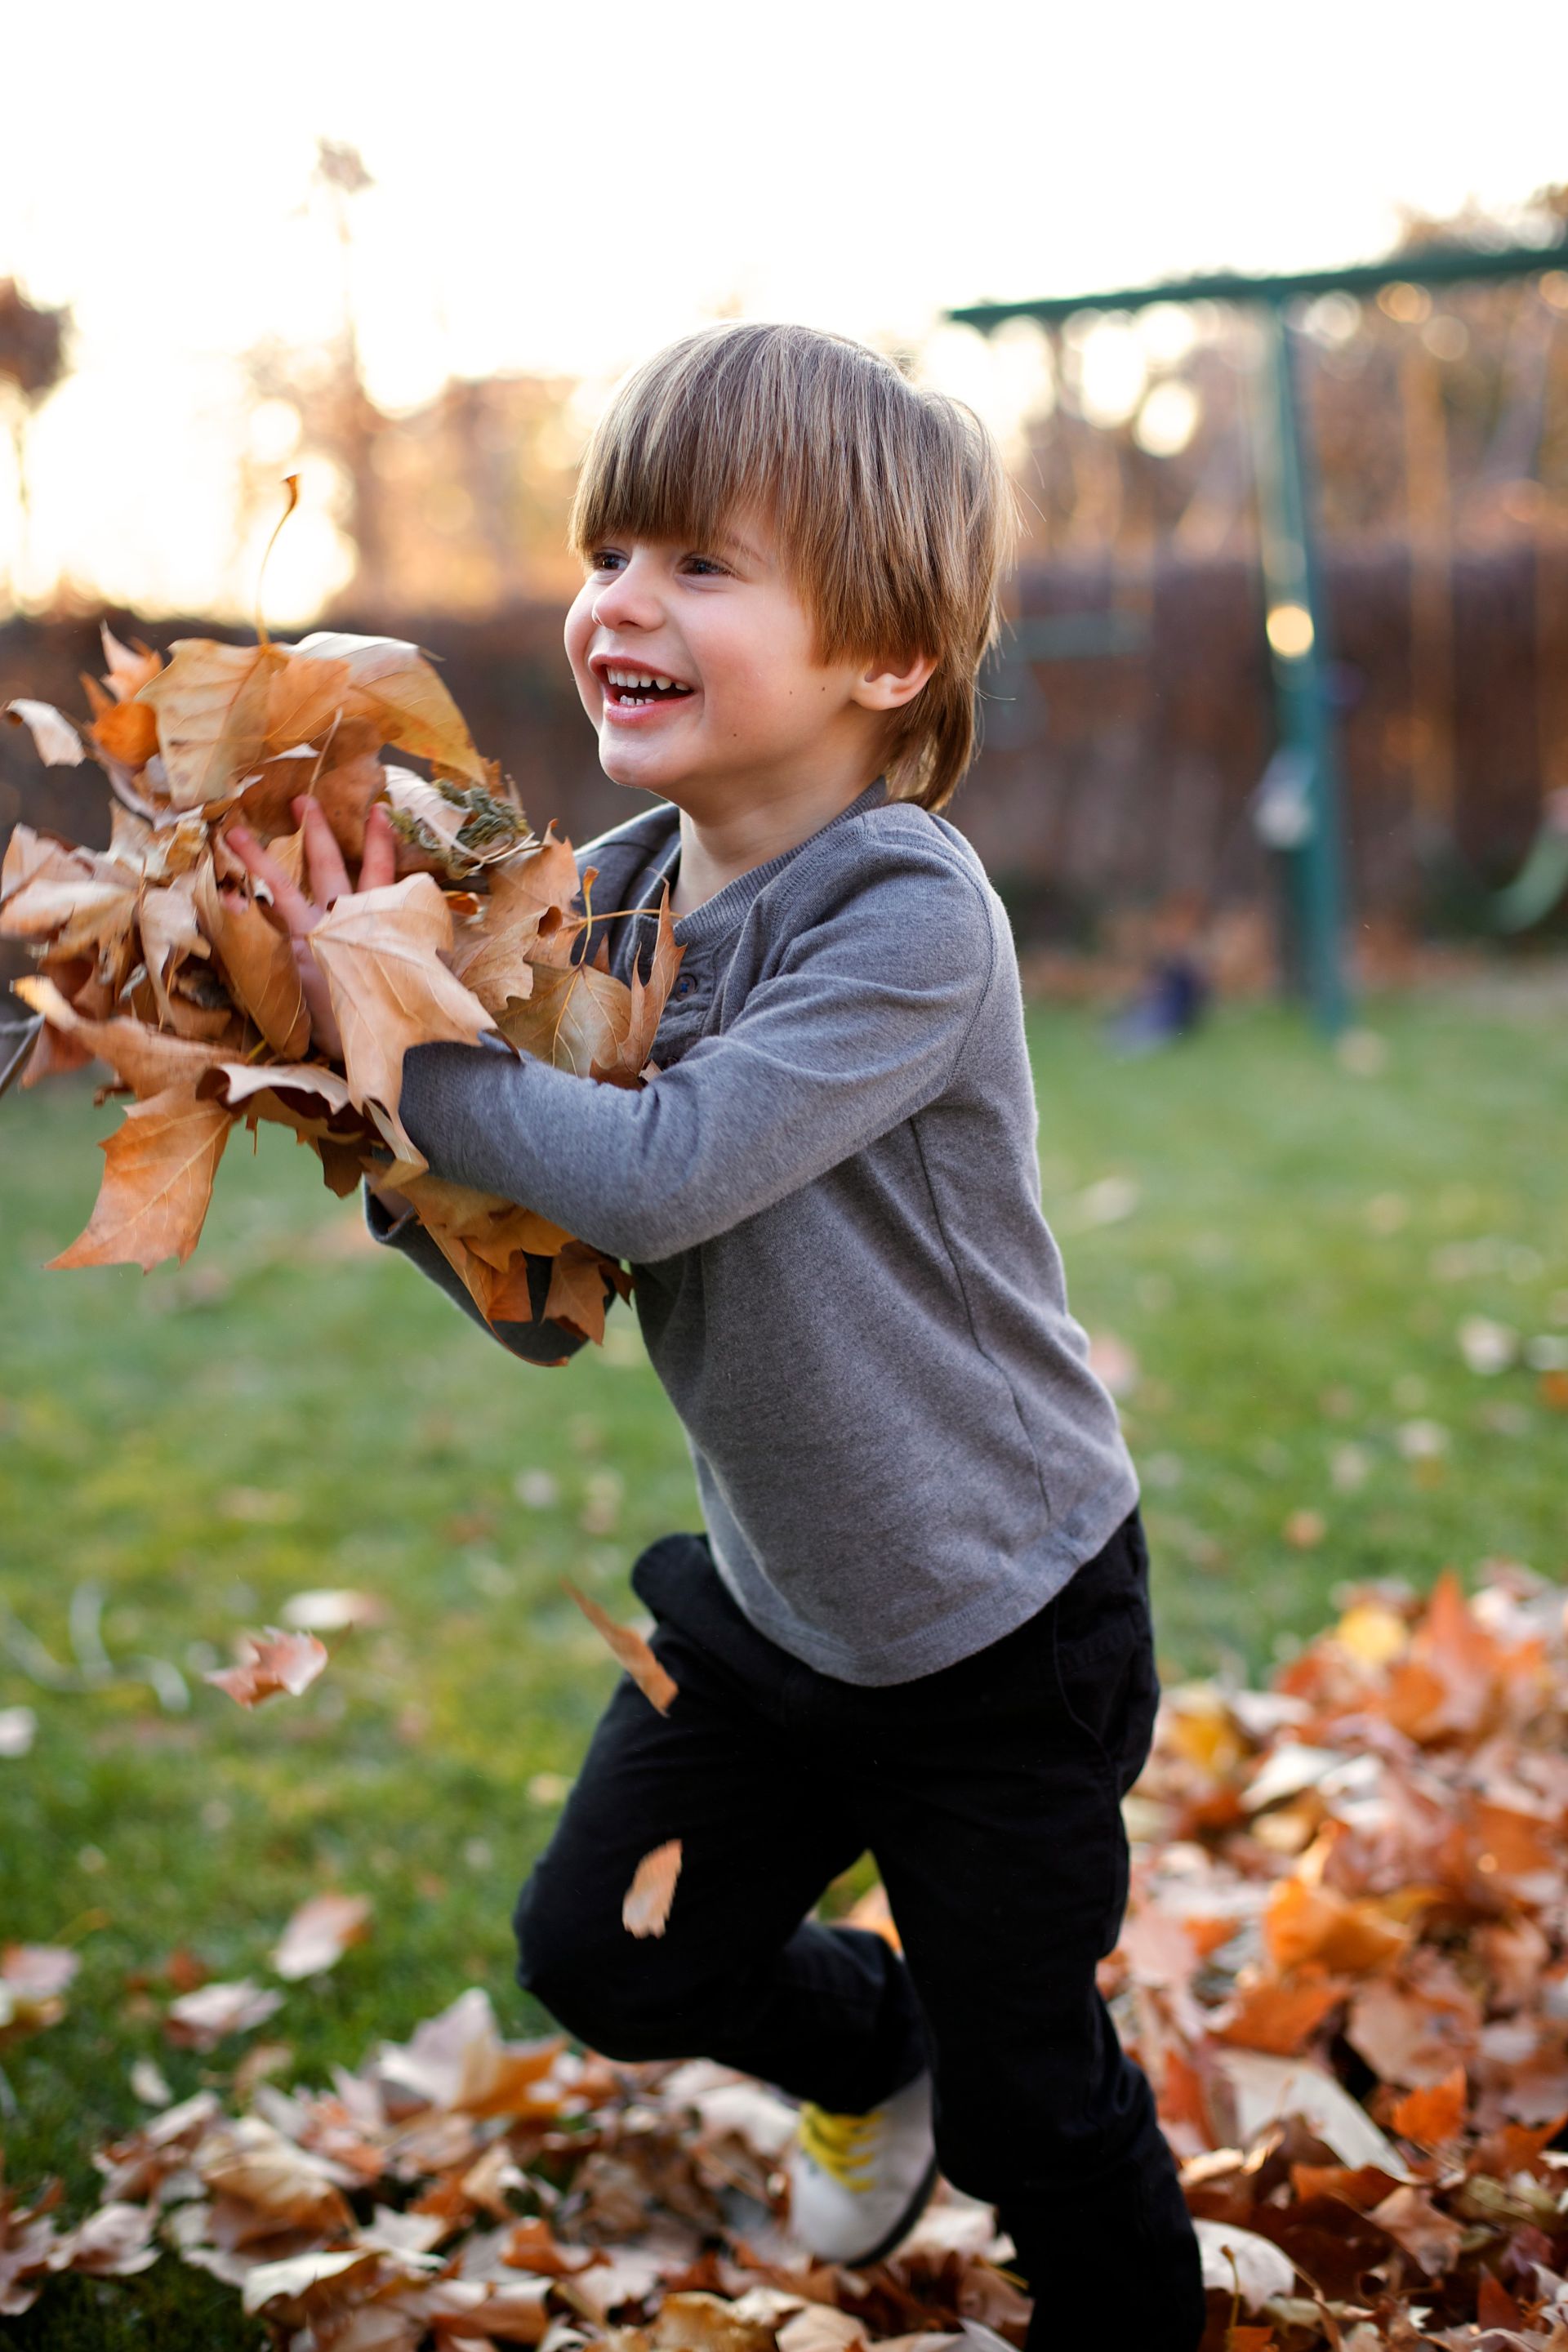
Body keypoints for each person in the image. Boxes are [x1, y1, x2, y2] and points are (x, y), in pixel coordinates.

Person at [232, 322, 1205, 2350]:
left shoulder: (907, 915)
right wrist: (335, 1089)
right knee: (608, 1957)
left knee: (1047, 2118)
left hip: (997, 1627)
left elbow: (663, 1172)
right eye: (610, 552)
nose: (620, 604)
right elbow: (549, 1289)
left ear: (889, 660)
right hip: (777, 1618)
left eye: (700, 563)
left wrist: (384, 1038)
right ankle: (882, 2048)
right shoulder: (604, 904)